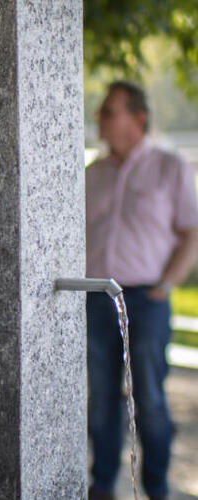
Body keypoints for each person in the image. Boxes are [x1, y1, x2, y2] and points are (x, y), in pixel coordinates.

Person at [85, 81, 198, 500]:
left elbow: (191, 233)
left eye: (109, 110)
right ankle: (102, 486)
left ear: (138, 118)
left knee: (149, 397)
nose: (100, 117)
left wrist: (166, 285)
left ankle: (155, 489)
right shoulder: (91, 173)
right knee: (101, 399)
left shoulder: (170, 167)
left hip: (146, 301)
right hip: (97, 300)